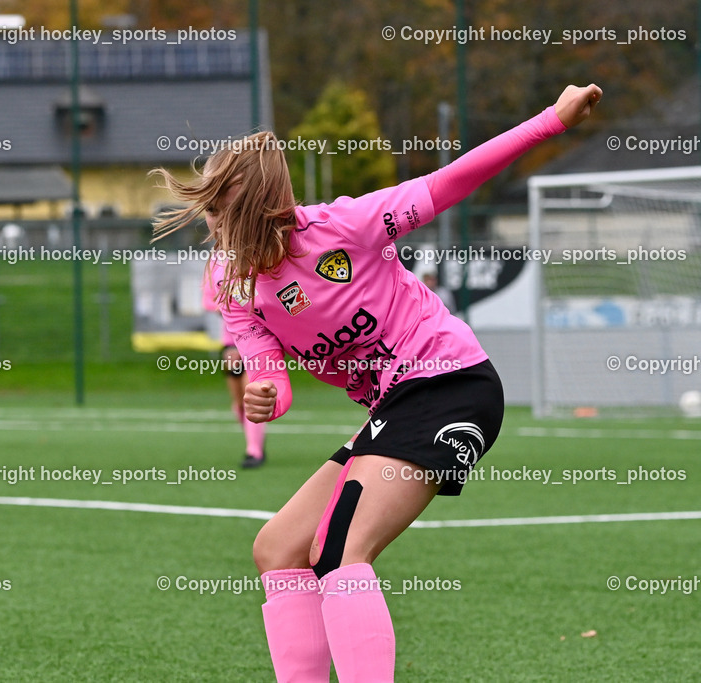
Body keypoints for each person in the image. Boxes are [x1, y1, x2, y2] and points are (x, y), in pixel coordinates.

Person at [152, 83, 602, 681]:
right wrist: (264, 395)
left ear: (261, 212)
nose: (212, 229)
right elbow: (271, 378)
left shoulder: (348, 224)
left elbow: (453, 180)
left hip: (451, 384)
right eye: (207, 213)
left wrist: (550, 121)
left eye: (220, 213)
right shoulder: (233, 282)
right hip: (393, 406)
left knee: (338, 552)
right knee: (279, 548)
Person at [202, 256, 268, 467]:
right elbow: (210, 301)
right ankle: (255, 439)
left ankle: (253, 451)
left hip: (257, 339)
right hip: (231, 341)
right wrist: (235, 308)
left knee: (252, 392)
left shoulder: (256, 255)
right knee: (239, 401)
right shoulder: (216, 262)